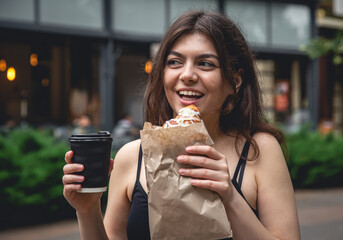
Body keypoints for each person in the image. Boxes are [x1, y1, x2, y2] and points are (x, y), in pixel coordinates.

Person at [63, 10, 300, 240]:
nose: (187, 75)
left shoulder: (259, 151)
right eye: (175, 62)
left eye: (206, 64)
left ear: (234, 82)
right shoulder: (131, 157)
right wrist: (87, 211)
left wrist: (230, 196)